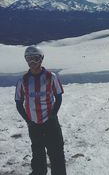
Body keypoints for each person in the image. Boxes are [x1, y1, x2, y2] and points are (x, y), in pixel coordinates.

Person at [15, 45, 66, 175]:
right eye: (29, 59)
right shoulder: (23, 80)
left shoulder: (51, 77)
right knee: (37, 153)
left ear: (41, 59)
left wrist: (53, 115)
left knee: (56, 153)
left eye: (35, 59)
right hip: (33, 124)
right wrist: (28, 120)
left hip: (50, 122)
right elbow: (19, 101)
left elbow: (58, 97)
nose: (32, 62)